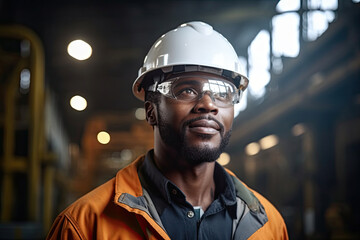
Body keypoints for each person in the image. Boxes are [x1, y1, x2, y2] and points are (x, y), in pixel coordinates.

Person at [47, 21, 288, 239]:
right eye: (187, 90)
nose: (208, 104)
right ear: (151, 110)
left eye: (223, 93)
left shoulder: (269, 226)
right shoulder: (84, 226)